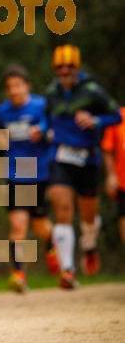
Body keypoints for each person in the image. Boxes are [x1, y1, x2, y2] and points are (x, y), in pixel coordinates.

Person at [42, 45, 122, 289]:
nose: (65, 70)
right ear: (55, 69)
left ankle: (89, 245)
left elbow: (117, 115)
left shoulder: (92, 90)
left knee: (88, 216)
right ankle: (67, 271)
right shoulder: (51, 93)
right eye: (60, 67)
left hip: (88, 159)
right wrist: (45, 130)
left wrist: (96, 120)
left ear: (77, 67)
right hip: (60, 157)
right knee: (62, 209)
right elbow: (46, 118)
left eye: (70, 66)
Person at [0, 65, 58, 293]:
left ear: (27, 86)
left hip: (40, 173)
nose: (13, 91)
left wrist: (41, 130)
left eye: (17, 85)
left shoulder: (41, 105)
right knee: (18, 224)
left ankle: (50, 245)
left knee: (41, 226)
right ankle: (18, 273)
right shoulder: (3, 111)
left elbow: (53, 126)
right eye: (9, 87)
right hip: (14, 173)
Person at [101, 106, 125, 246]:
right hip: (123, 182)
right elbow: (107, 148)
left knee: (21, 221)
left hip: (27, 171)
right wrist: (111, 175)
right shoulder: (118, 116)